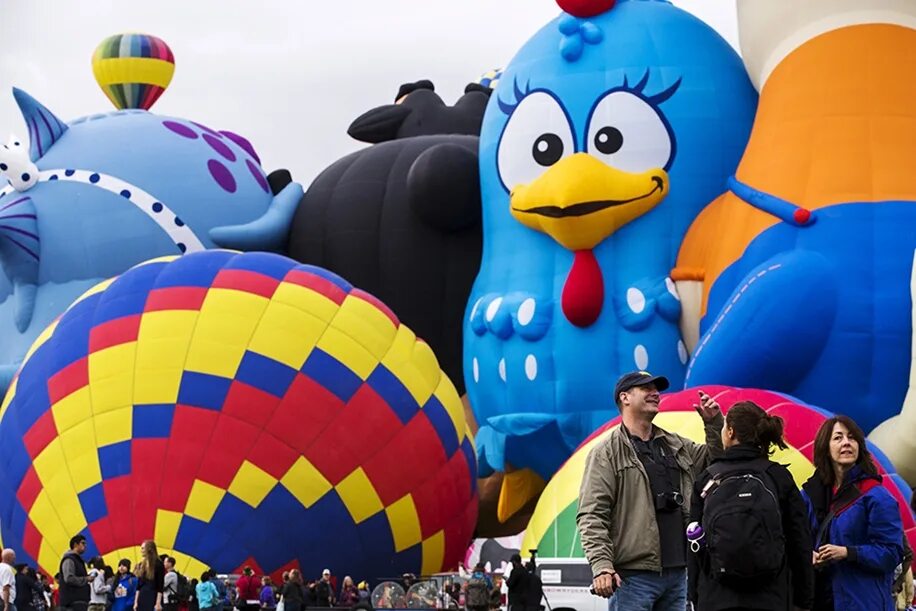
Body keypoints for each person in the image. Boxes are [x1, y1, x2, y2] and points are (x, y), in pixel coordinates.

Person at [577, 371, 724, 610]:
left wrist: (714, 423)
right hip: (633, 578)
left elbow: (715, 462)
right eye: (645, 388)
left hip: (677, 573)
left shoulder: (675, 444)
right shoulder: (606, 452)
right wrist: (602, 566)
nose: (655, 393)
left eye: (657, 389)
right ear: (625, 397)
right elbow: (592, 514)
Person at [688, 401, 814, 610]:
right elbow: (799, 541)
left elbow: (694, 542)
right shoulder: (777, 476)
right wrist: (804, 598)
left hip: (716, 598)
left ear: (730, 431)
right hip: (770, 597)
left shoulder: (707, 478)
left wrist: (694, 594)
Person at [801, 416, 904, 611]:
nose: (846, 443)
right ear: (826, 447)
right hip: (819, 599)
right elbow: (792, 537)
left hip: (863, 602)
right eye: (838, 438)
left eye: (852, 437)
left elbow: (892, 553)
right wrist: (807, 554)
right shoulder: (809, 494)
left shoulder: (876, 496)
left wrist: (848, 552)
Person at [60, 536, 96, 611]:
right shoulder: (69, 560)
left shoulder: (77, 560)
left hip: (80, 601)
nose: (85, 546)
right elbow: (69, 578)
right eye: (82, 543)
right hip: (73, 603)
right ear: (75, 545)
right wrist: (86, 579)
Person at [133, 541, 165, 611]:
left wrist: (158, 603)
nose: (141, 550)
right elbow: (139, 586)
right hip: (142, 596)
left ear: (149, 549)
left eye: (143, 548)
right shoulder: (142, 564)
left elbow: (160, 585)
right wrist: (136, 602)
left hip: (152, 596)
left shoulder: (158, 564)